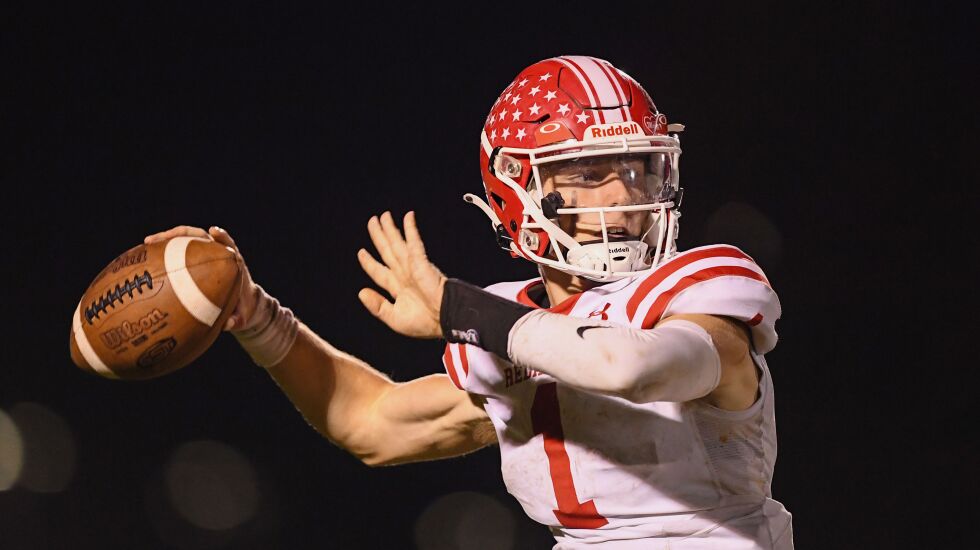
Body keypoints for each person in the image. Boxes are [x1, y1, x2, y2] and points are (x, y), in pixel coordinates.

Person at [146, 55, 793, 549]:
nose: (623, 194)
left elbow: (629, 366)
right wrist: (258, 317)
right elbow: (370, 424)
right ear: (518, 189)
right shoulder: (515, 330)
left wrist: (456, 311)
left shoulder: (698, 289)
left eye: (636, 169)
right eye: (590, 173)